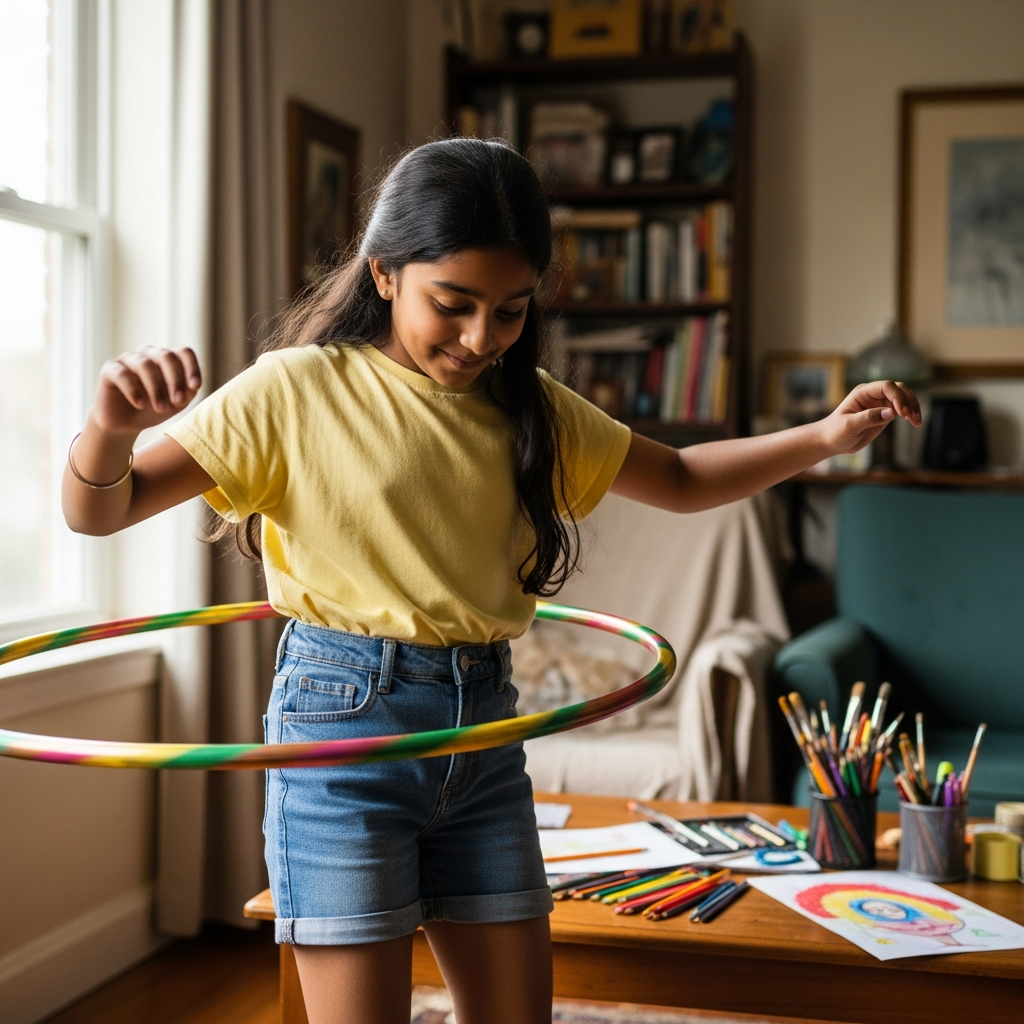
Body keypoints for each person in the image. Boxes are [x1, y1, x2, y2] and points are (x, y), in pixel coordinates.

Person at [62, 138, 921, 1024]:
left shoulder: (526, 404)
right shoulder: (295, 391)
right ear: (384, 273)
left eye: (510, 311)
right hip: (344, 738)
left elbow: (684, 480)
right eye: (453, 304)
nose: (480, 339)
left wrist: (822, 438)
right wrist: (109, 429)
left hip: (486, 733)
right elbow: (100, 510)